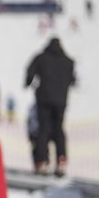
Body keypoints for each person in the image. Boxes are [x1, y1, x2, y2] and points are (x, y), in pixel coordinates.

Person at [25, 37, 75, 177]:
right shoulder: (68, 61)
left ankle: (42, 162)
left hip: (44, 100)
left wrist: (28, 82)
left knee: (44, 130)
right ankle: (61, 160)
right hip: (61, 101)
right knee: (59, 130)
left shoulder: (41, 58)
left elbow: (30, 72)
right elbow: (73, 79)